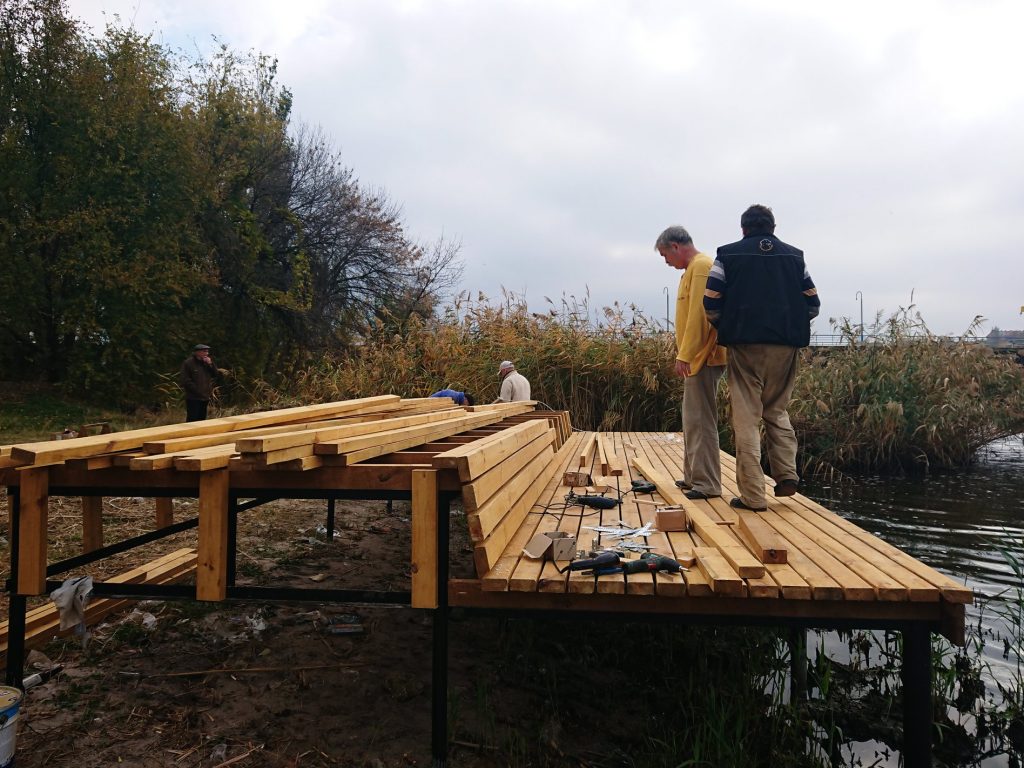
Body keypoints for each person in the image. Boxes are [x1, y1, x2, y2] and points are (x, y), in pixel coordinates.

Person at [703, 204, 820, 511]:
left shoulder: (727, 255)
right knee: (777, 411)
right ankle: (786, 475)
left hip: (744, 346)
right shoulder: (795, 257)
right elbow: (813, 304)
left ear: (743, 229)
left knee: (746, 418)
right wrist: (790, 328)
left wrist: (728, 327)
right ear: (773, 227)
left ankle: (754, 496)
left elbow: (711, 301)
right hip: (785, 347)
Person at [655, 226, 728, 501]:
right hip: (697, 356)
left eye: (665, 255)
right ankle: (693, 476)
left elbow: (701, 315)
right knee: (692, 418)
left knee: (701, 419)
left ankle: (707, 483)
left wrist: (685, 354)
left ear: (676, 246)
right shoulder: (691, 270)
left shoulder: (701, 267)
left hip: (704, 356)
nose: (666, 261)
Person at [180, 343, 219, 422]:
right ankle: (190, 434)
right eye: (204, 351)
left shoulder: (207, 363)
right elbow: (185, 380)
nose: (207, 354)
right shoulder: (188, 363)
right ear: (197, 352)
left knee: (202, 419)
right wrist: (197, 391)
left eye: (207, 352)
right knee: (192, 419)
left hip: (205, 397)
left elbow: (215, 374)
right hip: (193, 398)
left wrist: (210, 364)